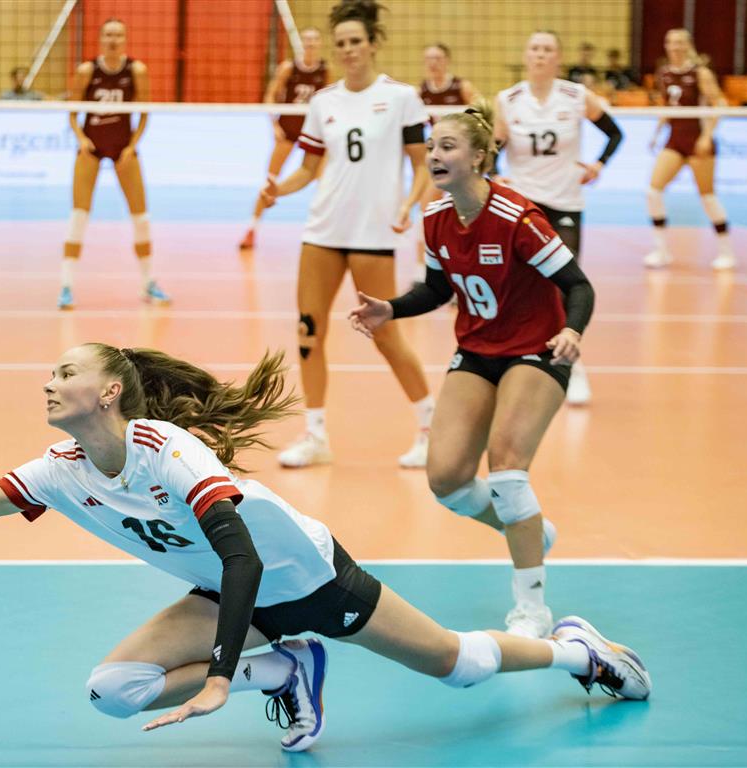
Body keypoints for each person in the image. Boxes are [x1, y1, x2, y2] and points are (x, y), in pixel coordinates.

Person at [0, 342, 651, 752]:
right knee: (113, 692)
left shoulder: (169, 452)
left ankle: (579, 650)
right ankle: (287, 671)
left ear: (109, 393)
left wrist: (221, 674)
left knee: (460, 667)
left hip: (310, 581)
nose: (47, 381)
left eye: (65, 373)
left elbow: (245, 561)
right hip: (231, 599)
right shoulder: (60, 470)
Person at [350, 103, 596, 639]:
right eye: (431, 147)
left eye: (447, 147)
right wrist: (391, 308)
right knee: (446, 480)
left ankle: (531, 608)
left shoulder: (518, 219)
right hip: (479, 350)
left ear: (480, 157)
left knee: (507, 471)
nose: (434, 156)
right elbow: (437, 289)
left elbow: (579, 285)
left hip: (536, 349)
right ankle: (529, 528)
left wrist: (573, 331)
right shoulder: (436, 218)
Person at [260, 0, 434, 469]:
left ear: (373, 44)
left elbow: (422, 166)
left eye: (356, 41)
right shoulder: (323, 102)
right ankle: (315, 435)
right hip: (324, 230)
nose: (348, 49)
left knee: (385, 334)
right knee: (308, 332)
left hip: (373, 233)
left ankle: (429, 426)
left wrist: (408, 204)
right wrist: (279, 188)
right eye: (341, 43)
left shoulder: (401, 97)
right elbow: (309, 168)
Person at [493, 30, 623, 407]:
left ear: (558, 58)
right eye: (534, 48)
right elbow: (494, 146)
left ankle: (572, 365)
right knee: (518, 284)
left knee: (565, 285)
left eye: (547, 49)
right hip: (523, 205)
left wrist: (599, 164)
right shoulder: (508, 99)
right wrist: (494, 173)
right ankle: (512, 361)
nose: (540, 55)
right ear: (526, 55)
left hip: (565, 202)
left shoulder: (576, 95)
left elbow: (615, 134)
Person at [60, 19, 169, 311]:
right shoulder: (87, 71)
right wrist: (81, 139)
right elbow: (72, 111)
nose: (113, 39)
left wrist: (132, 146)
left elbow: (144, 111)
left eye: (118, 35)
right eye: (108, 34)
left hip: (123, 148)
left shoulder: (136, 70)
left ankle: (148, 282)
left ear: (125, 39)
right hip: (91, 148)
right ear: (100, 38)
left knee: (141, 217)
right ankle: (66, 286)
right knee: (79, 216)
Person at [644, 28, 734, 271]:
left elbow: (719, 103)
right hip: (674, 140)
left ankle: (726, 252)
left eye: (679, 42)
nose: (674, 47)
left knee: (707, 196)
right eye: (670, 42)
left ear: (687, 45)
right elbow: (668, 106)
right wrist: (656, 133)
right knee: (653, 191)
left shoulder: (700, 73)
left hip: (697, 141)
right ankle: (661, 251)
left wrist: (707, 136)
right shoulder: (663, 73)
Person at [238, 27, 329, 251]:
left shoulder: (325, 70)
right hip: (288, 130)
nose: (310, 44)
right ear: (302, 44)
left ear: (319, 44)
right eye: (307, 40)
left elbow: (329, 100)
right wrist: (274, 125)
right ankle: (252, 229)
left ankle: (324, 232)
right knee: (270, 179)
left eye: (314, 40)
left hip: (313, 133)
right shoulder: (288, 68)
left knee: (324, 182)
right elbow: (270, 95)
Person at [416, 42, 477, 273]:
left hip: (461, 160)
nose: (433, 63)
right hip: (437, 157)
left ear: (447, 61)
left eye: (438, 58)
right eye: (429, 59)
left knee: (466, 209)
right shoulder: (421, 91)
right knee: (427, 208)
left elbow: (482, 114)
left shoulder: (461, 87)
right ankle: (423, 267)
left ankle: (466, 261)